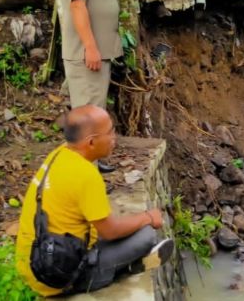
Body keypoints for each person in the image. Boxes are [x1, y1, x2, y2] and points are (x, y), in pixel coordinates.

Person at [15, 105, 174, 296]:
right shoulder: (87, 175)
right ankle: (112, 272)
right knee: (146, 236)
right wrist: (148, 216)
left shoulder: (58, 154)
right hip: (58, 277)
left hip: (35, 261)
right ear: (91, 142)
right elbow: (109, 232)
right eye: (110, 132)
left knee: (120, 224)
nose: (114, 137)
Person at [57, 0, 122, 172]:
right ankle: (84, 173)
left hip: (97, 50)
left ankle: (91, 164)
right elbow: (77, 5)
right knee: (86, 118)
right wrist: (91, 47)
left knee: (93, 112)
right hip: (87, 52)